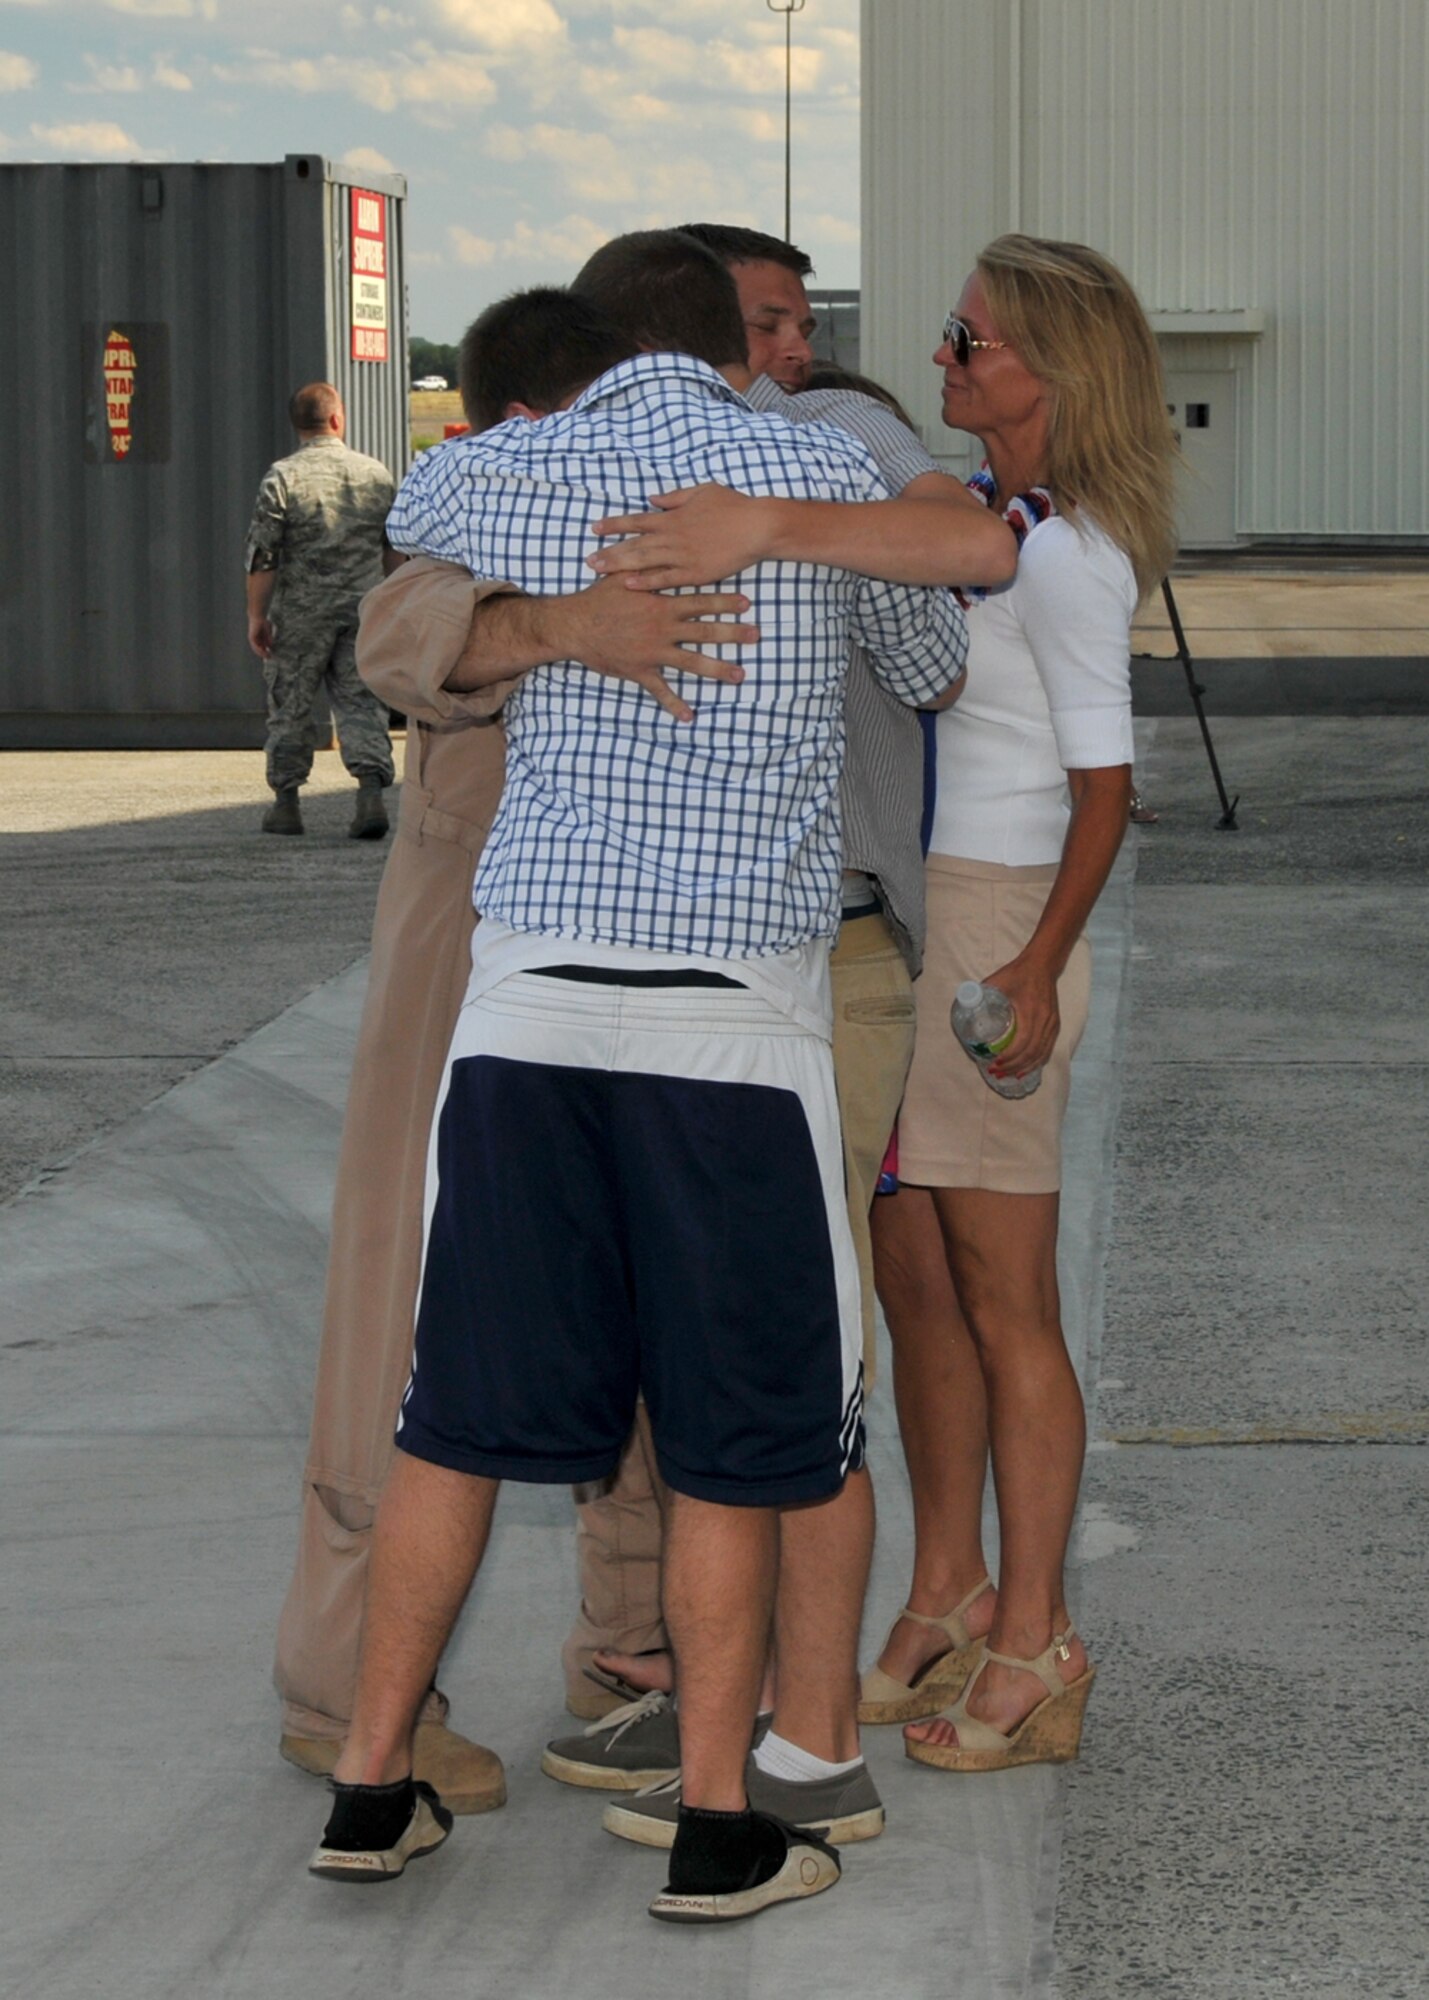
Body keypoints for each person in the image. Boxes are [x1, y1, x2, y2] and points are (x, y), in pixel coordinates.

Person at [306, 234, 969, 1924]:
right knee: (744, 1433)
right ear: (752, 351)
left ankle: (370, 1786)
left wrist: (560, 618)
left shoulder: (513, 467)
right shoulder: (814, 465)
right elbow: (928, 662)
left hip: (523, 1015)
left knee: (453, 1416)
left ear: (597, 348)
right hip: (727, 1031)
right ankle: (720, 1826)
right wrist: (784, 556)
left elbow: (408, 553)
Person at [273, 296, 758, 1806]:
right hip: (465, 975)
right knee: (406, 1319)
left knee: (637, 1307)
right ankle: (352, 1691)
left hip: (618, 983)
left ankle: (631, 1653)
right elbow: (400, 636)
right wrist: (568, 630)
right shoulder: (495, 497)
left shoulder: (677, 505)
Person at [560, 224, 1014, 1743]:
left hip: (827, 955)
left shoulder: (836, 439)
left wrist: (767, 522)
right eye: (760, 325)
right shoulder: (601, 457)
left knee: (790, 1345)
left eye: (797, 320)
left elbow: (955, 590)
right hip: (653, 960)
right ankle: (703, 1670)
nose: (789, 350)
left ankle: (785, 1719)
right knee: (670, 1327)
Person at [859, 235, 1177, 1772]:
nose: (945, 360)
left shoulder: (1064, 551)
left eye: (969, 341)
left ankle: (1036, 1640)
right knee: (940, 1281)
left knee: (1009, 1307)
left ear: (1051, 366)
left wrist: (1033, 968)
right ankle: (967, 1599)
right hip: (967, 909)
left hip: (999, 918)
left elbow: (1109, 792)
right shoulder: (1011, 522)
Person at [244, 383, 396, 839]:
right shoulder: (375, 475)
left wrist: (257, 615)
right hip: (365, 608)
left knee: (290, 704)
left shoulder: (282, 477)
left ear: (298, 425)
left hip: (301, 612)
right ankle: (369, 795)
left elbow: (263, 554)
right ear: (337, 419)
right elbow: (394, 548)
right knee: (362, 699)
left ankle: (287, 804)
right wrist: (389, 601)